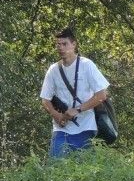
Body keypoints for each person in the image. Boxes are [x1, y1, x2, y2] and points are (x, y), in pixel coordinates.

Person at [40, 27, 110, 158]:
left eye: (64, 44)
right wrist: (55, 114)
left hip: (85, 127)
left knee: (83, 168)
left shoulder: (86, 65)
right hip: (61, 128)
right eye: (58, 44)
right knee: (55, 166)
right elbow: (45, 99)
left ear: (74, 44)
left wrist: (77, 110)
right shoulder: (53, 69)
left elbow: (102, 95)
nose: (61, 48)